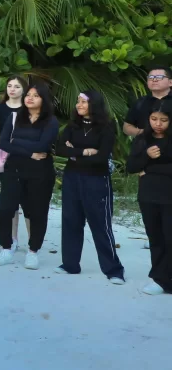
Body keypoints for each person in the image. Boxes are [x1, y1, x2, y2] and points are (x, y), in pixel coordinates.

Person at [54, 91, 124, 284]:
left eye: (83, 101)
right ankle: (70, 264)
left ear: (94, 104)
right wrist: (83, 152)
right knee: (71, 221)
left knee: (100, 225)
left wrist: (73, 153)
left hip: (96, 180)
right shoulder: (72, 125)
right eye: (78, 101)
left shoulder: (106, 127)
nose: (79, 105)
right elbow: (60, 149)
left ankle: (114, 270)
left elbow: (102, 157)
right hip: (72, 178)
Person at [0, 83, 60, 270]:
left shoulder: (51, 121)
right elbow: (4, 143)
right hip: (14, 169)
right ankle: (6, 248)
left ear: (43, 100)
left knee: (37, 212)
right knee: (4, 210)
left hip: (40, 172)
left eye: (35, 95)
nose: (30, 98)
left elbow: (43, 145)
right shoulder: (15, 117)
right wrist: (29, 151)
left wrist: (18, 141)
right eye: (28, 94)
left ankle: (33, 251)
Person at [126, 103, 172, 296]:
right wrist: (146, 155)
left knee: (170, 238)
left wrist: (151, 169)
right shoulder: (143, 139)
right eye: (154, 119)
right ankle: (160, 279)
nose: (158, 124)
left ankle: (166, 278)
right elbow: (131, 166)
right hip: (148, 196)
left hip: (169, 196)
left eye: (163, 120)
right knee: (156, 238)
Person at [0, 76, 31, 251]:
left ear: (24, 90)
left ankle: (32, 240)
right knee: (10, 199)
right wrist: (5, 148)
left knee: (28, 200)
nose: (12, 89)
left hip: (26, 157)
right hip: (4, 158)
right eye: (9, 86)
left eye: (16, 86)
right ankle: (13, 239)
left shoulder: (28, 109)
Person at [123, 65, 171, 138]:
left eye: (159, 77)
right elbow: (126, 127)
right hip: (145, 146)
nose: (154, 80)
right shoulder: (140, 102)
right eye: (151, 77)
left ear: (170, 82)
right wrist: (143, 133)